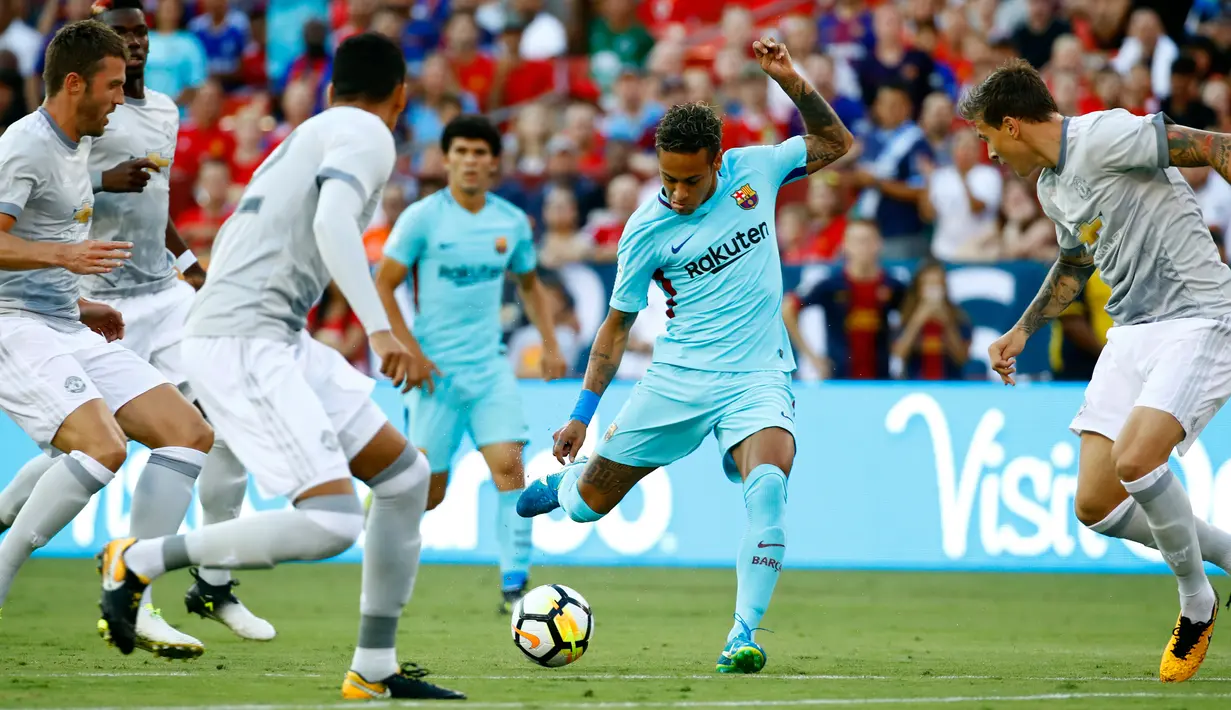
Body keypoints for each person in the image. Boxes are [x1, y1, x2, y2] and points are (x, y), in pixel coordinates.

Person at [91, 33, 464, 701]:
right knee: (333, 522)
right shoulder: (368, 134)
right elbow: (332, 223)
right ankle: (141, 558)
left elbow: (244, 231)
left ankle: (372, 667)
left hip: (269, 333)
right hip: (245, 338)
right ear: (401, 96)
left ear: (328, 91)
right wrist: (380, 332)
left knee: (405, 478)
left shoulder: (305, 136)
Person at [517, 37, 853, 674]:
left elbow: (836, 146)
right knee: (591, 505)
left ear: (719, 162)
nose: (675, 191)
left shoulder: (756, 170)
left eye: (689, 179)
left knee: (770, 489)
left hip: (758, 375)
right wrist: (581, 416)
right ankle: (566, 487)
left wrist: (791, 79)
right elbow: (615, 330)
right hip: (679, 377)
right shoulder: (645, 229)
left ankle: (742, 635)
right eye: (666, 177)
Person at [0, 0, 272, 654]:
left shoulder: (78, 146)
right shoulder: (25, 144)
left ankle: (136, 577)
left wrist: (89, 299)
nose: (122, 96)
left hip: (84, 314)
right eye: (112, 84)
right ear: (75, 84)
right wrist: (67, 260)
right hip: (16, 325)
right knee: (101, 448)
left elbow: (123, 213)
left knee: (191, 433)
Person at [969, 58, 1231, 683]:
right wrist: (1020, 332)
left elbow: (1215, 146)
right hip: (1132, 332)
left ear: (1010, 125)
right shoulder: (1050, 186)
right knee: (1094, 502)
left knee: (1137, 461)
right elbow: (1073, 266)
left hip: (1198, 316)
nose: (989, 153)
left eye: (986, 137)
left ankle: (1197, 601)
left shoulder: (1105, 135)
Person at [374, 115, 567, 614]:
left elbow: (529, 284)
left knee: (510, 468)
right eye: (461, 152)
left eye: (481, 153)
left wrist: (549, 343)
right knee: (429, 493)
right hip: (433, 374)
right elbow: (383, 284)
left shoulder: (511, 222)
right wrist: (406, 349)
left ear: (494, 163)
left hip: (490, 368)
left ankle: (514, 587)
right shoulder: (421, 218)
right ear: (447, 159)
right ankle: (382, 545)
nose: (471, 161)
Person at [783, 221, 905, 380]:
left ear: (878, 244)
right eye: (856, 241)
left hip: (881, 380)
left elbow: (911, 316)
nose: (862, 247)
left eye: (867, 240)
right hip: (840, 380)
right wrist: (813, 358)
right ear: (845, 245)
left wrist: (901, 350)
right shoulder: (831, 284)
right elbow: (787, 310)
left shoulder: (892, 285)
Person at [891, 260, 971, 380]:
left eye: (937, 284)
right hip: (915, 385)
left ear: (945, 288)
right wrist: (917, 320)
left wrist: (947, 324)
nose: (933, 289)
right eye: (928, 284)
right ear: (919, 288)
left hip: (950, 385)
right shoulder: (905, 318)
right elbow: (899, 354)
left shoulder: (958, 318)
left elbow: (962, 358)